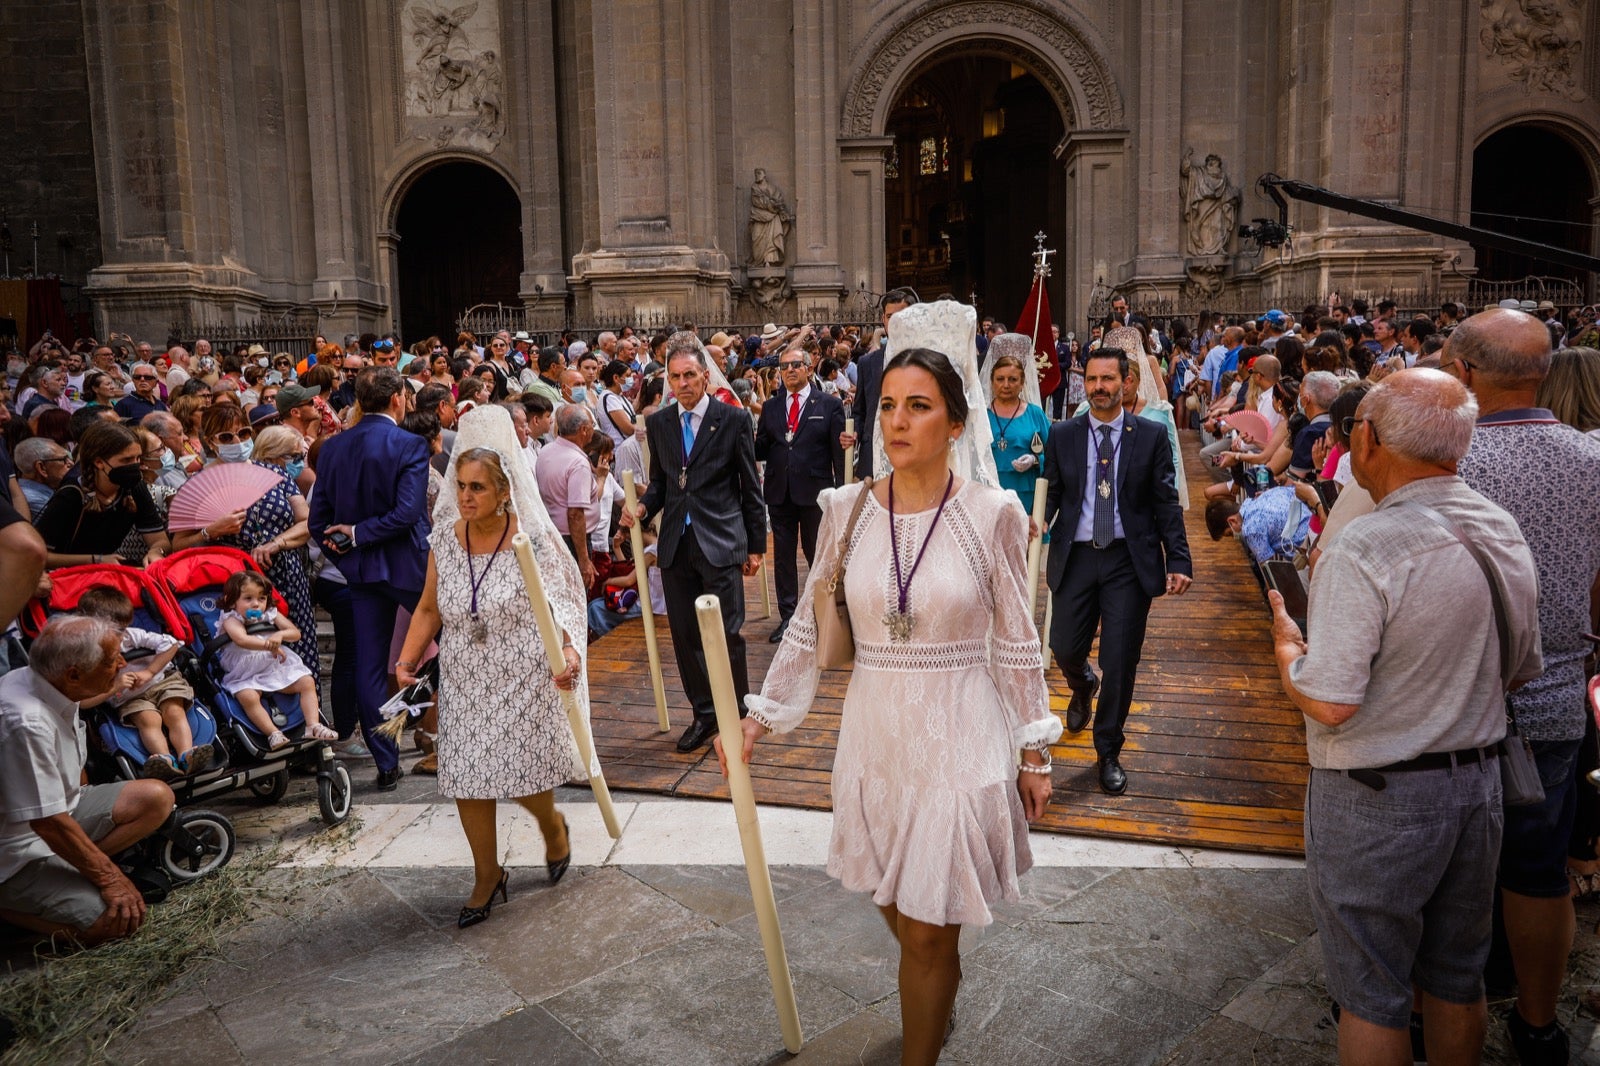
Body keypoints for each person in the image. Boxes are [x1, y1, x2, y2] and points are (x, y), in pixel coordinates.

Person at [731, 346, 1059, 1065]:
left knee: (927, 931)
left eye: (919, 405)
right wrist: (762, 715)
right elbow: (810, 622)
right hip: (875, 731)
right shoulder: (844, 512)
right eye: (887, 404)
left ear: (955, 423)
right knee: (895, 903)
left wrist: (1034, 746)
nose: (897, 421)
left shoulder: (990, 513)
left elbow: (1015, 633)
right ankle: (938, 980)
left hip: (961, 730)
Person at [1269, 369, 1542, 1065]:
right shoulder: (1498, 525)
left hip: (1376, 795)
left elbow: (1332, 700)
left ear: (1367, 441)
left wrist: (1287, 653)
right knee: (1457, 974)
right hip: (1476, 785)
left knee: (1372, 991)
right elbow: (1520, 667)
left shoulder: (1366, 545)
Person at [1449, 311, 1600, 1063]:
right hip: (1555, 696)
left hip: (1451, 705)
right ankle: (1540, 1026)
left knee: (1446, 874)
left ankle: (1445, 1010)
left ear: (1466, 373)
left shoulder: (1444, 457)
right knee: (1539, 873)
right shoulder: (1593, 456)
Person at [396, 408, 587, 927]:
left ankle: (552, 826)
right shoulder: (446, 540)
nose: (465, 497)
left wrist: (568, 652)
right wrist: (409, 657)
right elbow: (429, 607)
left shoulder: (532, 539)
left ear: (505, 490)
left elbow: (563, 604)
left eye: (477, 487)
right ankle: (486, 874)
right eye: (459, 485)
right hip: (464, 674)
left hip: (523, 671)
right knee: (467, 776)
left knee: (521, 777)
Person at [1042, 345, 1192, 795]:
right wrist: (1034, 520)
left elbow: (1166, 501)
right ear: (1083, 384)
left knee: (1120, 660)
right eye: (1091, 380)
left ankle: (1108, 749)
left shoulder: (1149, 436)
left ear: (1126, 382)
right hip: (1077, 556)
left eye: (1108, 379)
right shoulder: (1063, 434)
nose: (1099, 388)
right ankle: (1082, 683)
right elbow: (1050, 493)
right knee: (1064, 646)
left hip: (1129, 559)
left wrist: (1179, 559)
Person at [627, 331, 765, 753]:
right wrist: (643, 509)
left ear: (705, 377)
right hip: (676, 544)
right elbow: (662, 483)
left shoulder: (734, 420)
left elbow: (749, 487)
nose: (682, 384)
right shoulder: (660, 423)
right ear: (667, 380)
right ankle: (704, 714)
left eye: (690, 375)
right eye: (675, 377)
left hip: (721, 539)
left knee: (728, 634)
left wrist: (755, 546)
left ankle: (736, 717)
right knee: (685, 635)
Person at [0, 616, 175, 946]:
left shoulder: (49, 681)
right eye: (112, 660)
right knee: (114, 923)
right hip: (13, 855)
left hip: (59, 814)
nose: (122, 664)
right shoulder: (26, 721)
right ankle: (9, 907)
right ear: (74, 674)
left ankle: (70, 871)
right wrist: (111, 879)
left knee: (157, 797)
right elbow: (47, 822)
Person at [308, 366, 431, 791]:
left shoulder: (334, 447)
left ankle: (386, 762)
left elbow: (318, 522)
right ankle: (418, 722)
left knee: (369, 666)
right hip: (408, 567)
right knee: (457, 643)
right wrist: (357, 538)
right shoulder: (409, 443)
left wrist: (345, 556)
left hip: (359, 571)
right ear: (398, 398)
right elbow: (408, 513)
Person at [754, 343, 846, 643]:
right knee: (782, 559)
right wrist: (741, 427)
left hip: (815, 493)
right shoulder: (770, 407)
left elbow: (838, 453)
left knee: (816, 555)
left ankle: (824, 617)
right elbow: (762, 449)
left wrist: (841, 495)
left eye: (796, 365)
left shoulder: (829, 405)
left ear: (808, 368)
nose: (790, 371)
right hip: (780, 492)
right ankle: (789, 618)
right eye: (784, 367)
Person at [75, 586, 208, 779]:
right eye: (113, 631)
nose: (119, 636)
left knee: (174, 711)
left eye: (122, 629)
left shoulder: (130, 635)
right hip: (129, 697)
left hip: (161, 682)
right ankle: (165, 760)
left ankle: (187, 755)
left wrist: (149, 671)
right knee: (148, 720)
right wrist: (115, 687)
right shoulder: (84, 654)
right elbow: (83, 702)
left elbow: (172, 643)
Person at [216, 570, 334, 749]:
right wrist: (269, 646)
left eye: (261, 598)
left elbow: (295, 633)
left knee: (307, 682)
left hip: (272, 666)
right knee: (247, 696)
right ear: (232, 601)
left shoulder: (270, 613)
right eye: (248, 599)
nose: (256, 604)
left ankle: (313, 725)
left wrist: (279, 635)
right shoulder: (231, 618)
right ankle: (273, 733)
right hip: (244, 671)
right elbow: (242, 639)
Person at [34, 421, 172, 569]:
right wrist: (95, 560)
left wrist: (156, 552)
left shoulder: (135, 486)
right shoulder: (71, 496)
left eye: (138, 458)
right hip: (66, 579)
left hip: (103, 572)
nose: (135, 465)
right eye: (126, 460)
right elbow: (40, 556)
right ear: (99, 462)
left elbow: (160, 540)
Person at [842, 288, 917, 481]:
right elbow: (860, 410)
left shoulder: (925, 360)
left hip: (914, 450)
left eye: (902, 316)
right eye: (890, 316)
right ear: (883, 319)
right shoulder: (868, 363)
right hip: (874, 455)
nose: (895, 322)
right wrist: (854, 432)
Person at [983, 341, 1052, 520]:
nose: (1006, 385)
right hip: (991, 496)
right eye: (1000, 379)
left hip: (1027, 496)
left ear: (1022, 383)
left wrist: (1035, 460)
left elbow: (1055, 455)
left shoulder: (1035, 414)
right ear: (992, 382)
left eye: (1013, 379)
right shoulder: (981, 417)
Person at [536, 404, 601, 589]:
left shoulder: (546, 450)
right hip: (571, 539)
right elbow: (575, 513)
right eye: (592, 425)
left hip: (553, 533)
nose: (593, 430)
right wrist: (583, 559)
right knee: (577, 591)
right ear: (583, 430)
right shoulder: (578, 463)